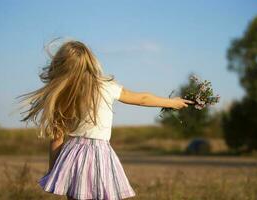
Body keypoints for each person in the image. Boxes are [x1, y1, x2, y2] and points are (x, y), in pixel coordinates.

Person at [17, 39, 194, 200]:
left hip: (73, 155)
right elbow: (142, 98)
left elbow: (57, 138)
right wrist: (171, 102)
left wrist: (54, 171)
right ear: (90, 61)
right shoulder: (105, 86)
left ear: (61, 66)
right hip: (100, 153)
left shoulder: (63, 94)